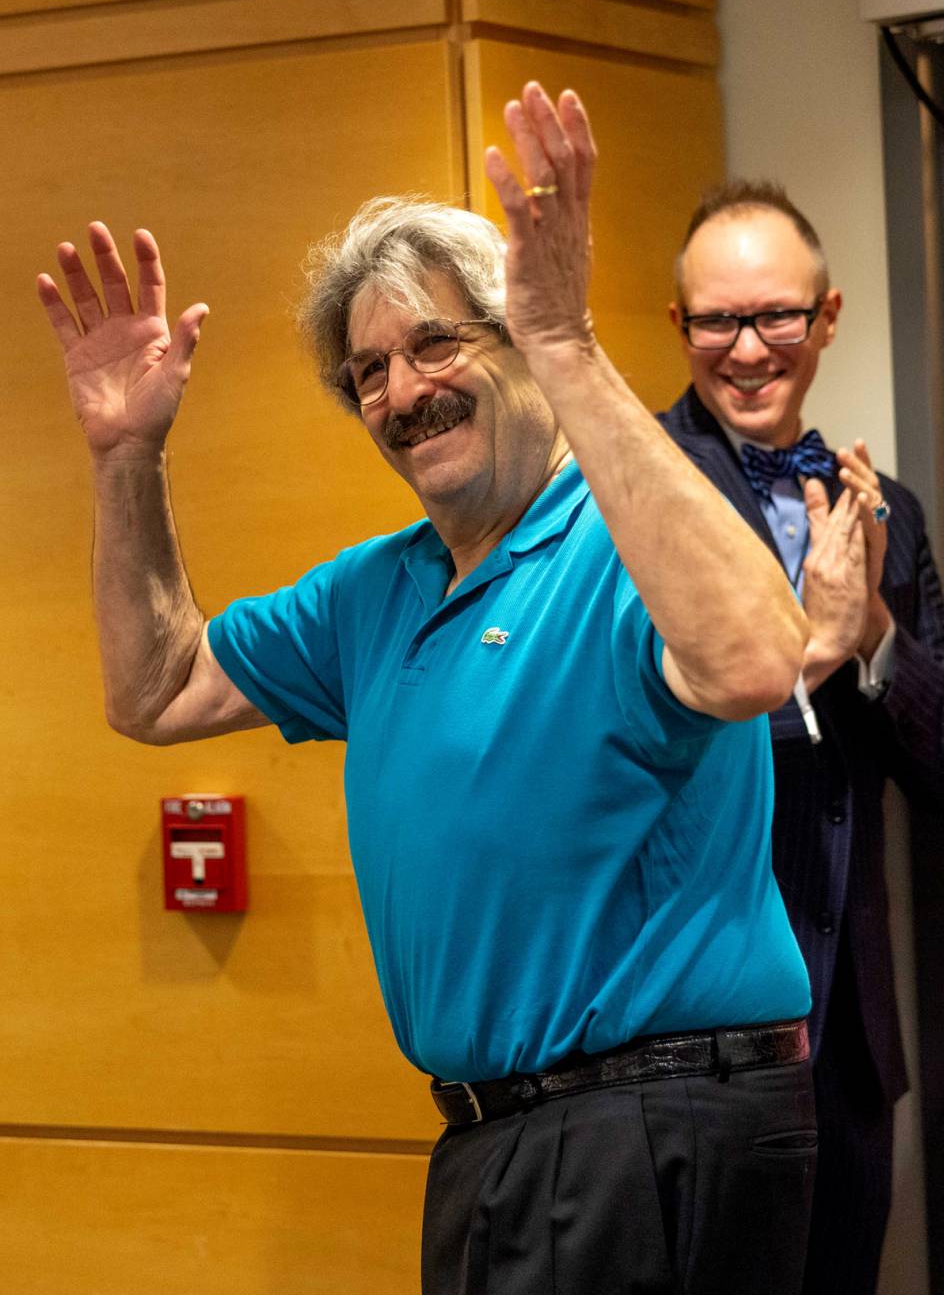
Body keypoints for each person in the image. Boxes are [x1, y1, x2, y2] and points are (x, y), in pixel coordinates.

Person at [38, 84, 821, 1295]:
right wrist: (127, 458)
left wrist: (568, 344)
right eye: (368, 375)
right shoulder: (375, 591)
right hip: (495, 1140)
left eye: (436, 344)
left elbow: (758, 661)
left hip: (655, 1126)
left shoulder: (624, 535)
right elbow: (155, 690)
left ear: (516, 338)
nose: (404, 394)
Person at [657, 181, 944, 1295]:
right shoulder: (626, 495)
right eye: (717, 321)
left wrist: (870, 634)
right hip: (686, 1038)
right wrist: (797, 648)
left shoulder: (884, 508)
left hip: (847, 1043)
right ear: (681, 328)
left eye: (777, 317)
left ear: (829, 317)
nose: (747, 350)